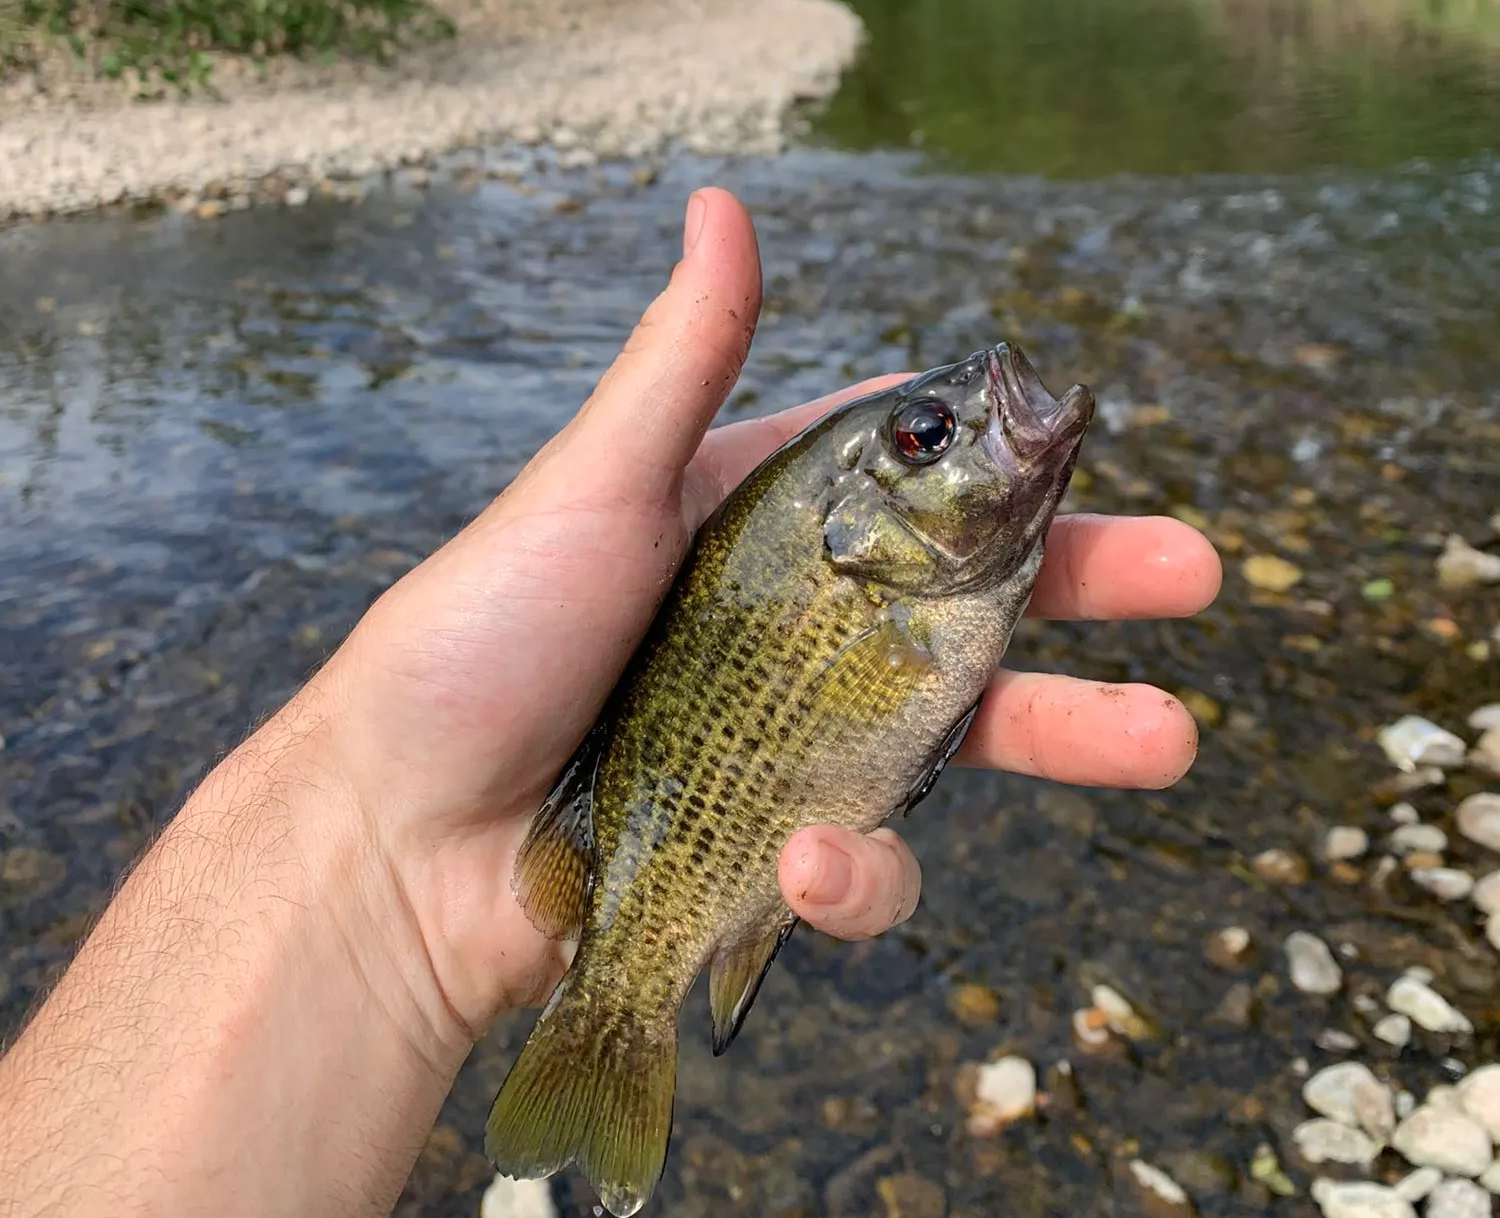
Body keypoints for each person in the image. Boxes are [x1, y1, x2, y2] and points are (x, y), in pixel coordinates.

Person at [0, 189, 1220, 1217]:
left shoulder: (920, 572)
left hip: (688, 821)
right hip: (656, 837)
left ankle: (636, 996)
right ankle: (622, 1011)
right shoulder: (872, 563)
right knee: (767, 891)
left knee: (810, 873)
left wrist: (365, 850)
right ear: (860, 528)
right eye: (926, 436)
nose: (959, 431)